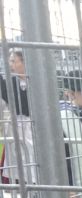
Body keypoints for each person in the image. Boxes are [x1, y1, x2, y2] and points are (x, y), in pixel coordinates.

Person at [0, 50, 36, 190]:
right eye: (10, 61)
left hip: (31, 125)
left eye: (14, 61)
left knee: (32, 159)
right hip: (17, 124)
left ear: (24, 62)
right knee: (18, 161)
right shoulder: (10, 82)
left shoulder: (35, 81)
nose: (11, 65)